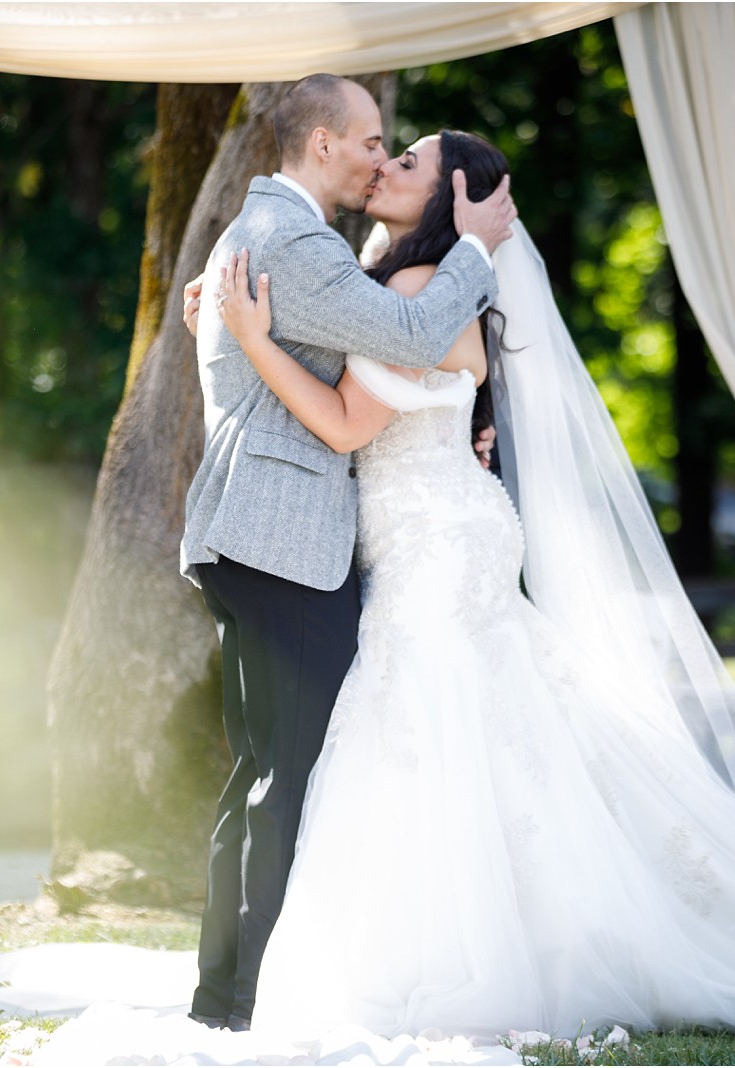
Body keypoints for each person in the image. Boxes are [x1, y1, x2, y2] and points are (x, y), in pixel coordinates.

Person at [207, 128, 735, 1039]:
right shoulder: (398, 287)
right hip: (438, 532)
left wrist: (252, 338)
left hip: (434, 547)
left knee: (429, 726)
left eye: (409, 162)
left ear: (446, 203)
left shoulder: (426, 289)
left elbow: (346, 427)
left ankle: (442, 955)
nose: (385, 167)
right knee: (483, 732)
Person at [178, 73, 517, 1032]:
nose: (380, 155)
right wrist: (480, 250)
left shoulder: (264, 235)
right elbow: (411, 333)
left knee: (264, 772)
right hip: (281, 545)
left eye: (395, 151)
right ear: (323, 142)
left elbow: (390, 360)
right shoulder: (299, 243)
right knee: (286, 775)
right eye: (374, 141)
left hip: (267, 540)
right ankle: (238, 1000)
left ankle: (226, 991)